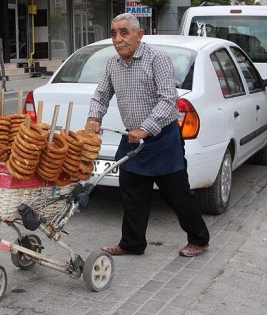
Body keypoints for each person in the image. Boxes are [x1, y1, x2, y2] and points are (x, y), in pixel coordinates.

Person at [86, 13, 210, 257]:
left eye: (124, 32)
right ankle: (132, 243)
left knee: (178, 196)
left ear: (139, 35)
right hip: (133, 140)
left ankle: (199, 239)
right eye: (114, 34)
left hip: (163, 140)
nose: (118, 39)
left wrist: (146, 127)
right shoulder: (113, 64)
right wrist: (94, 117)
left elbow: (168, 100)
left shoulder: (157, 59)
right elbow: (101, 95)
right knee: (131, 193)